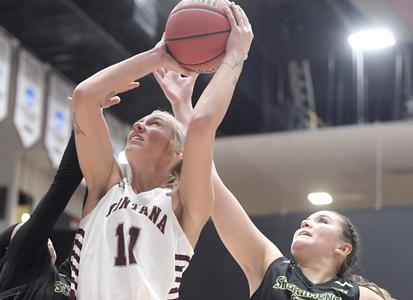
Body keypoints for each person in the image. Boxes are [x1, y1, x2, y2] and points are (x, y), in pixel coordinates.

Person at [154, 61, 395, 300]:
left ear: (343, 248)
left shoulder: (360, 296)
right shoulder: (270, 267)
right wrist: (182, 106)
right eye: (308, 219)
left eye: (322, 221)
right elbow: (210, 181)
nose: (305, 223)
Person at [68, 2, 253, 299]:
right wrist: (158, 56)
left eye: (152, 124)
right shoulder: (106, 189)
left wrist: (235, 55)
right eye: (138, 123)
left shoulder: (184, 206)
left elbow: (202, 126)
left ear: (179, 151)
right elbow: (84, 97)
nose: (137, 126)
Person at [0, 96, 125, 300]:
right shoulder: (20, 264)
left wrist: (91, 119)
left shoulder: (64, 280)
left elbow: (91, 207)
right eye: (24, 231)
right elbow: (62, 187)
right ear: (12, 251)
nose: (34, 232)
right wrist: (88, 114)